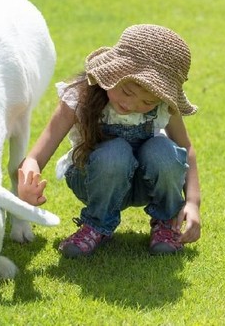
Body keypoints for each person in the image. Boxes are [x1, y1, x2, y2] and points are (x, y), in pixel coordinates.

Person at [17, 24, 201, 258]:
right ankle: (96, 225)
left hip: (142, 183)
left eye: (148, 103)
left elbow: (186, 148)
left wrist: (193, 203)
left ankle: (166, 222)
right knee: (116, 151)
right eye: (127, 92)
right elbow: (35, 156)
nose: (132, 105)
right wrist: (27, 182)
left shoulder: (165, 107)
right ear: (114, 72)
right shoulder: (79, 98)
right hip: (94, 178)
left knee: (163, 150)